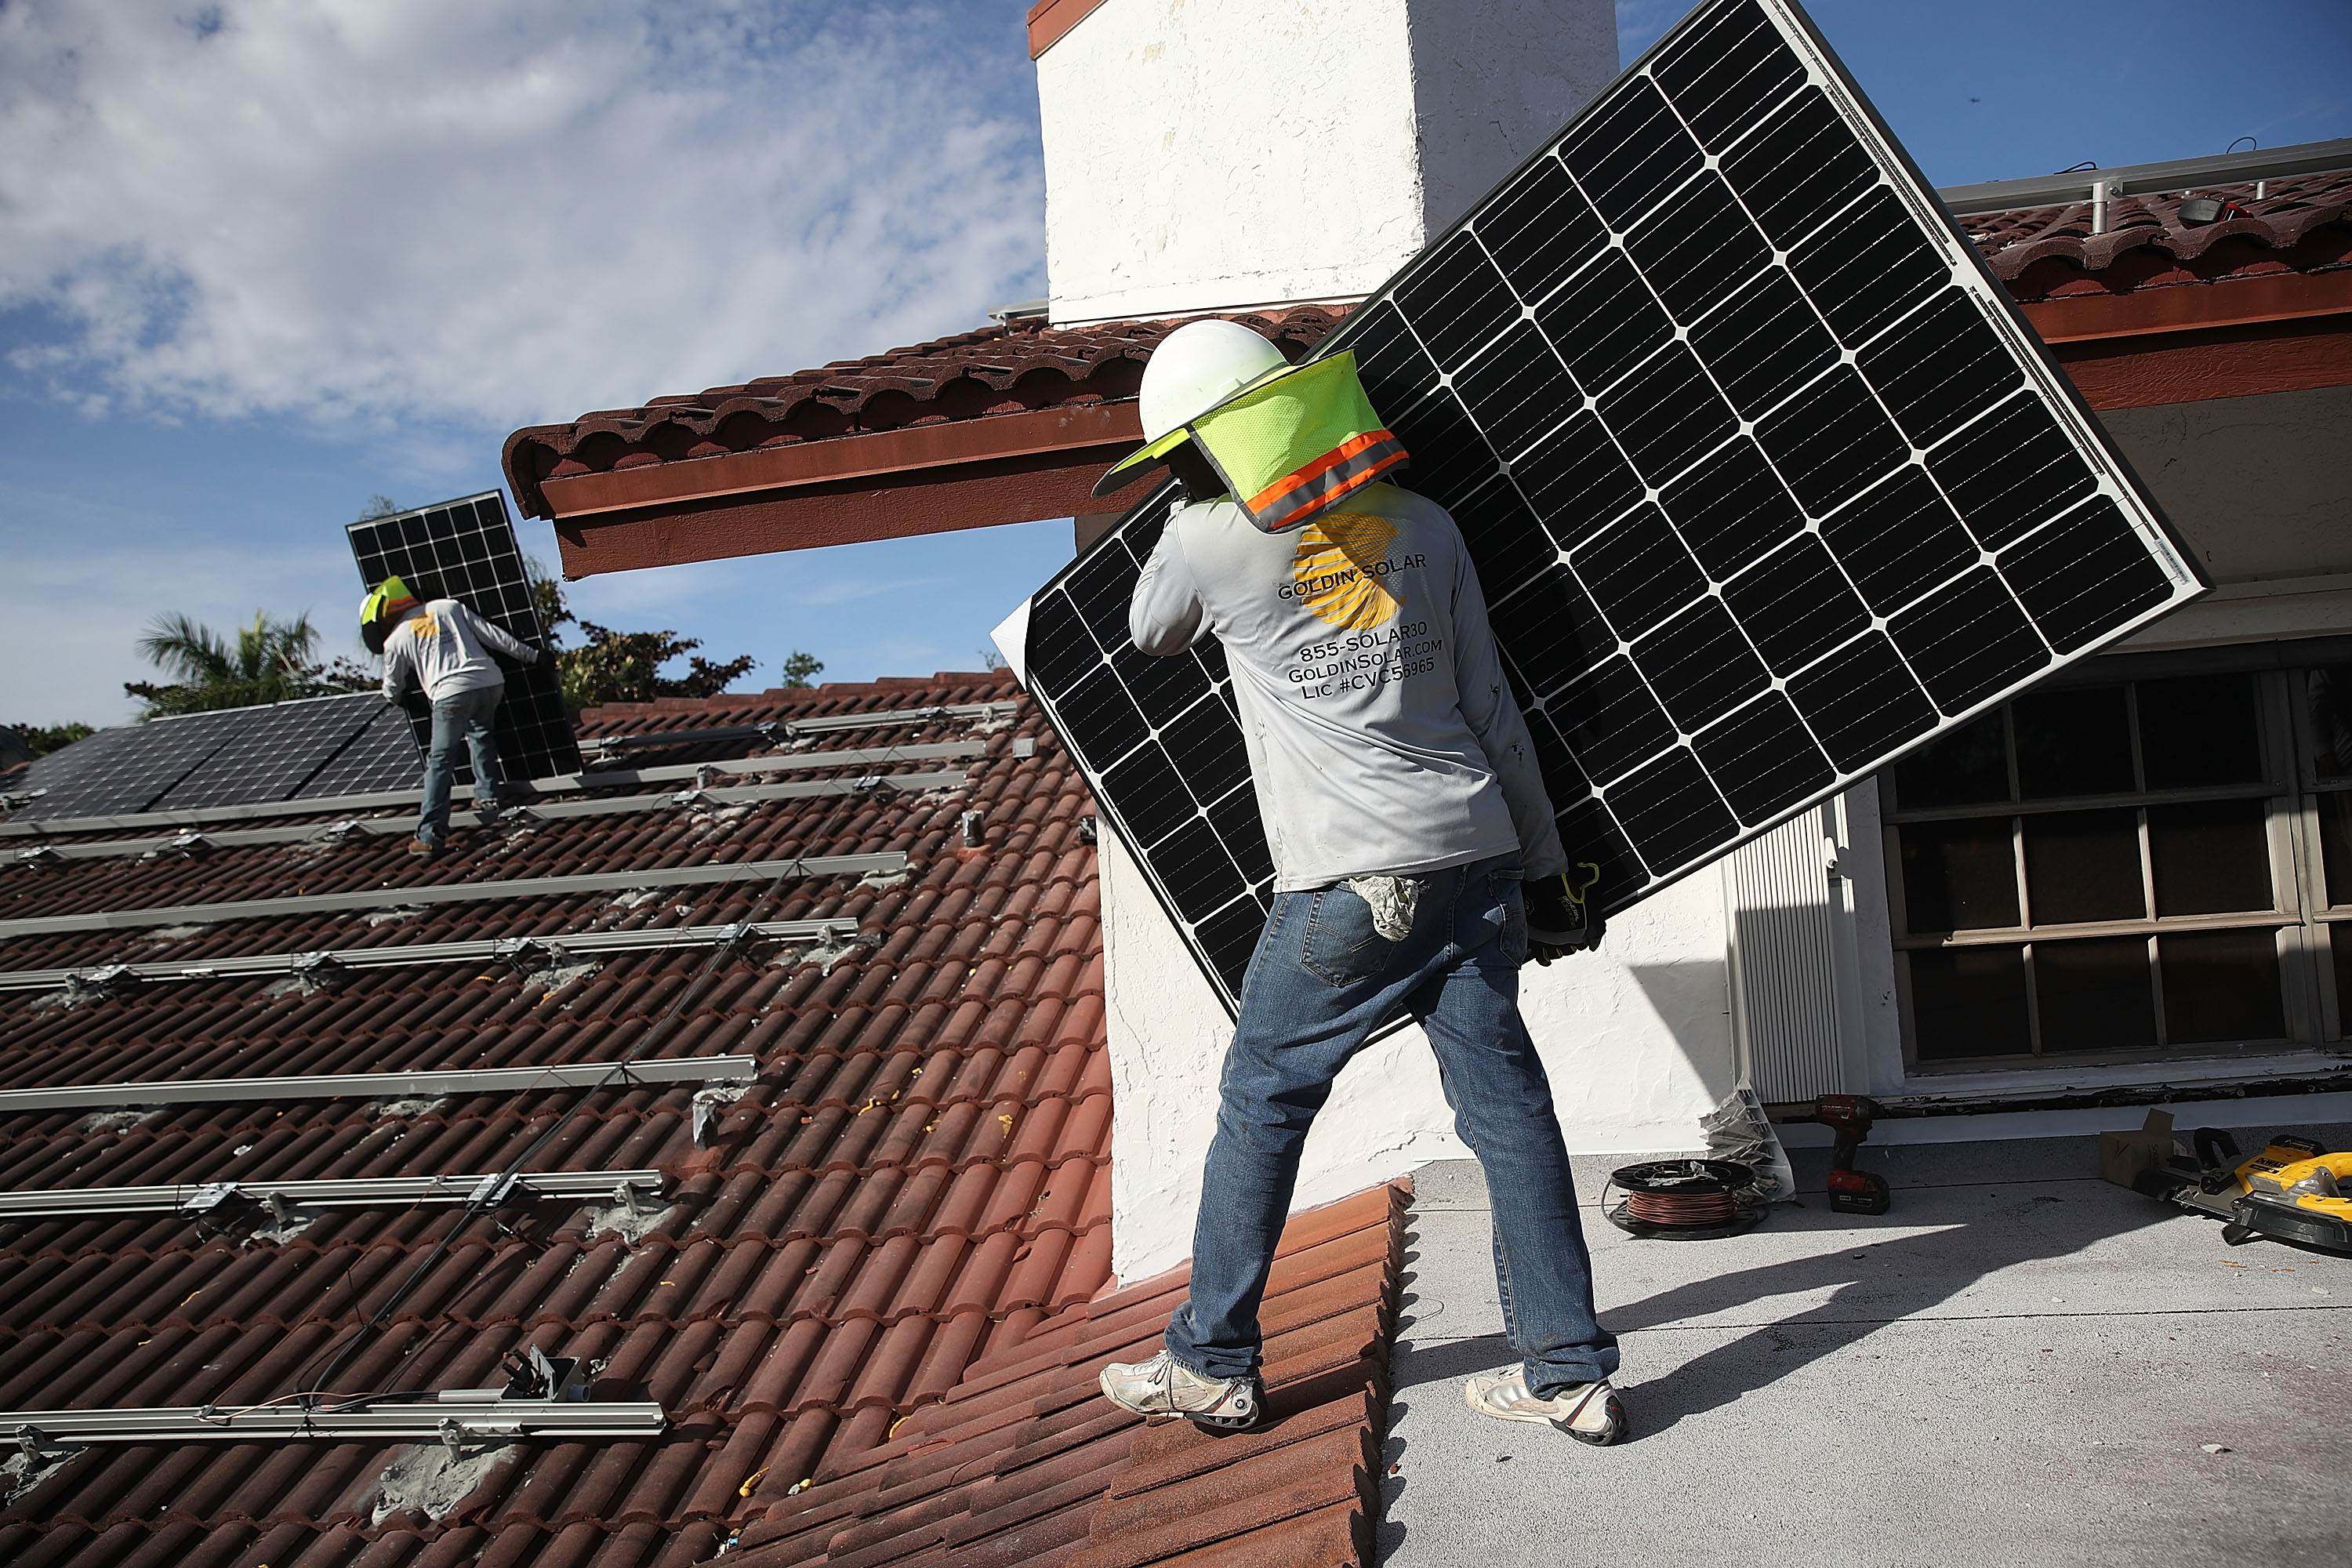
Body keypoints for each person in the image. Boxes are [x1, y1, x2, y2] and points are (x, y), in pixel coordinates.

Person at [1091, 321, 1624, 1445]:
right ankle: (1567, 1370)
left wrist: (1194, 497)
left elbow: (1150, 634)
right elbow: (1492, 707)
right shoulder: (1427, 527)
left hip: (1349, 882)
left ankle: (1211, 1362)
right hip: (1474, 855)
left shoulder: (1204, 541)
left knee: (1263, 1103)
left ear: (1205, 445)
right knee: (1510, 1113)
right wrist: (1544, 869)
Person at [362, 574, 546, 858]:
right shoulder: (448, 607)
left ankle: (429, 834)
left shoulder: (397, 639)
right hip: (489, 683)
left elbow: (392, 686)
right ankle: (487, 797)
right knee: (481, 735)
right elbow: (493, 635)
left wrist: (395, 698)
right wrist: (533, 656)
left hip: (450, 695)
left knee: (440, 761)